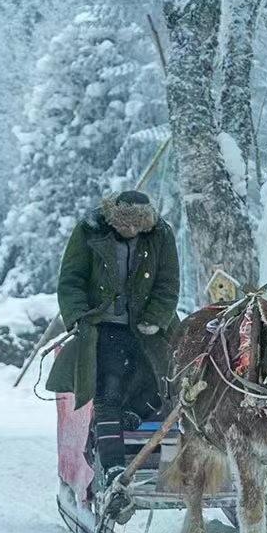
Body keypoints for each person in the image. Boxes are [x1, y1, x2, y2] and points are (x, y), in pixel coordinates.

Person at [45, 189, 180, 506]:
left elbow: (168, 281)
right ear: (114, 219)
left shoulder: (161, 235)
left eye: (136, 227)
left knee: (167, 385)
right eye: (125, 225)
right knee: (109, 390)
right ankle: (113, 465)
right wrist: (78, 315)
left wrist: (156, 317)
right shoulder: (90, 229)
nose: (130, 231)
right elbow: (72, 278)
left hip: (148, 326)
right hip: (102, 326)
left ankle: (152, 437)